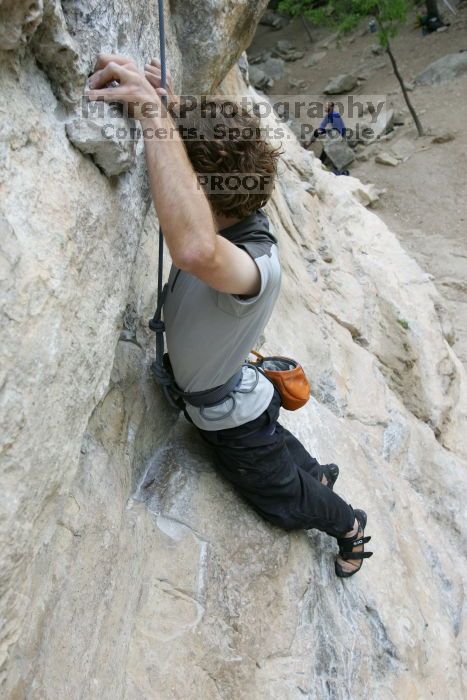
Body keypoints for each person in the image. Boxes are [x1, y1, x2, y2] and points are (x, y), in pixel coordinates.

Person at [85, 54, 372, 577]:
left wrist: (154, 115)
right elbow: (218, 167)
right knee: (280, 450)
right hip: (240, 399)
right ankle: (318, 473)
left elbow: (193, 247)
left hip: (231, 418)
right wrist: (174, 114)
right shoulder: (240, 206)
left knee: (281, 498)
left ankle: (348, 525)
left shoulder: (254, 266)